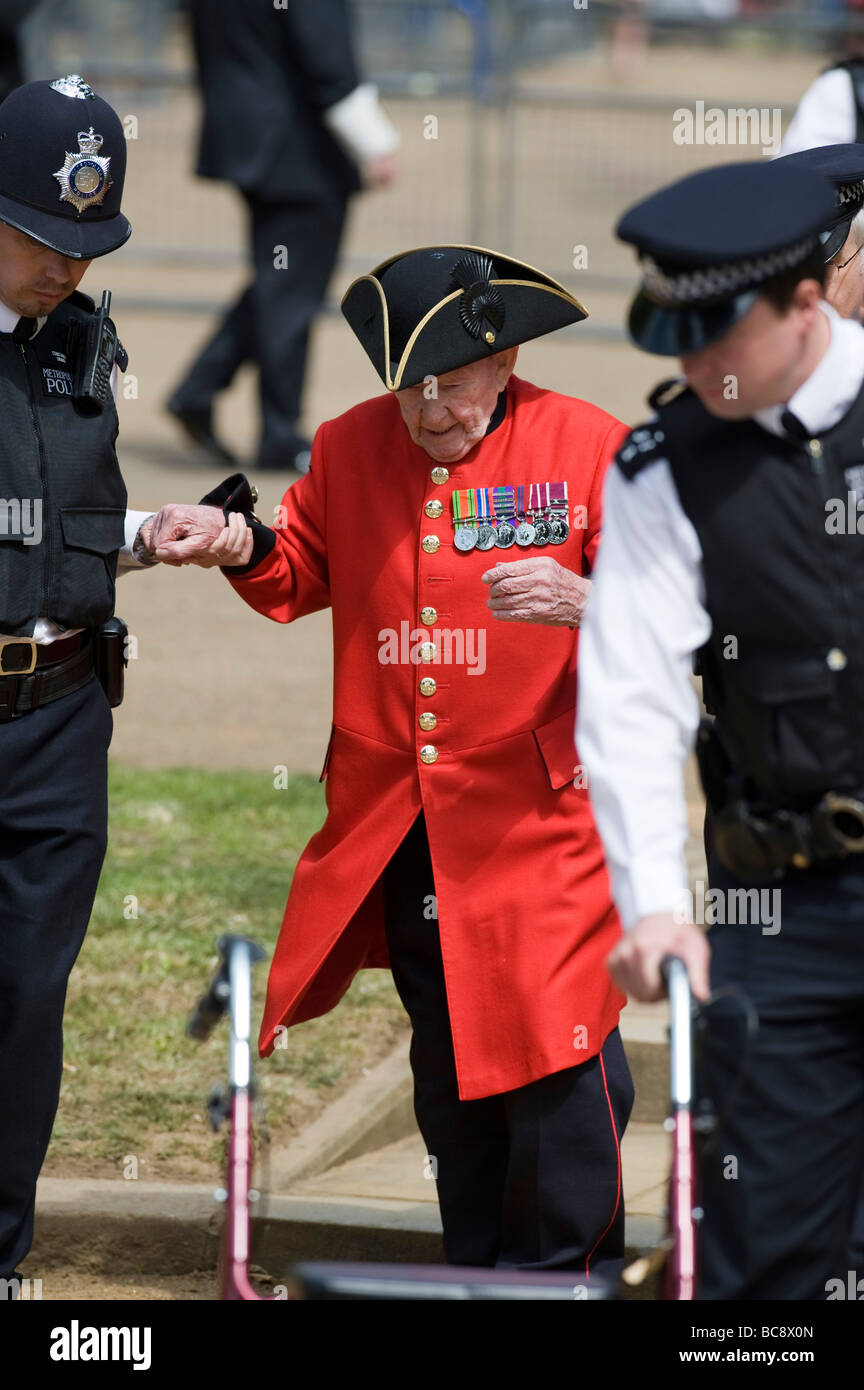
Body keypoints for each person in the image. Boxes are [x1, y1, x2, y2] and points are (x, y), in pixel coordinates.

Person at [148, 246, 634, 1277]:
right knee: (453, 1061)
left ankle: (565, 1280)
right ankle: (474, 1270)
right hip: (405, 816)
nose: (429, 416)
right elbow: (303, 565)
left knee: (558, 1047)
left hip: (543, 815)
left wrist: (594, 603)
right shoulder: (348, 443)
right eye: (411, 392)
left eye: (452, 388)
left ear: (504, 362)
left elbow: (691, 613)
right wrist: (236, 544)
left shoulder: (594, 447)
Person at [577, 159, 864, 1299]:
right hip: (779, 908)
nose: (692, 364)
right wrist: (653, 904)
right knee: (758, 1261)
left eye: (719, 333)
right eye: (675, 333)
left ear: (807, 300)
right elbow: (631, 698)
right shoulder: (663, 471)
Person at [0, 73, 160, 1294]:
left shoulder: (83, 341)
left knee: (25, 1003)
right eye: (48, 242)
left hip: (59, 720)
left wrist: (159, 535)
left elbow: (68, 523)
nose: (70, 268)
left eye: (88, 245)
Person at [166, 0, 399, 473]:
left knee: (281, 281)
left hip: (247, 134)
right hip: (299, 150)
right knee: (291, 291)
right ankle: (277, 433)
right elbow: (327, 58)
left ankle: (199, 389)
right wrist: (375, 141)